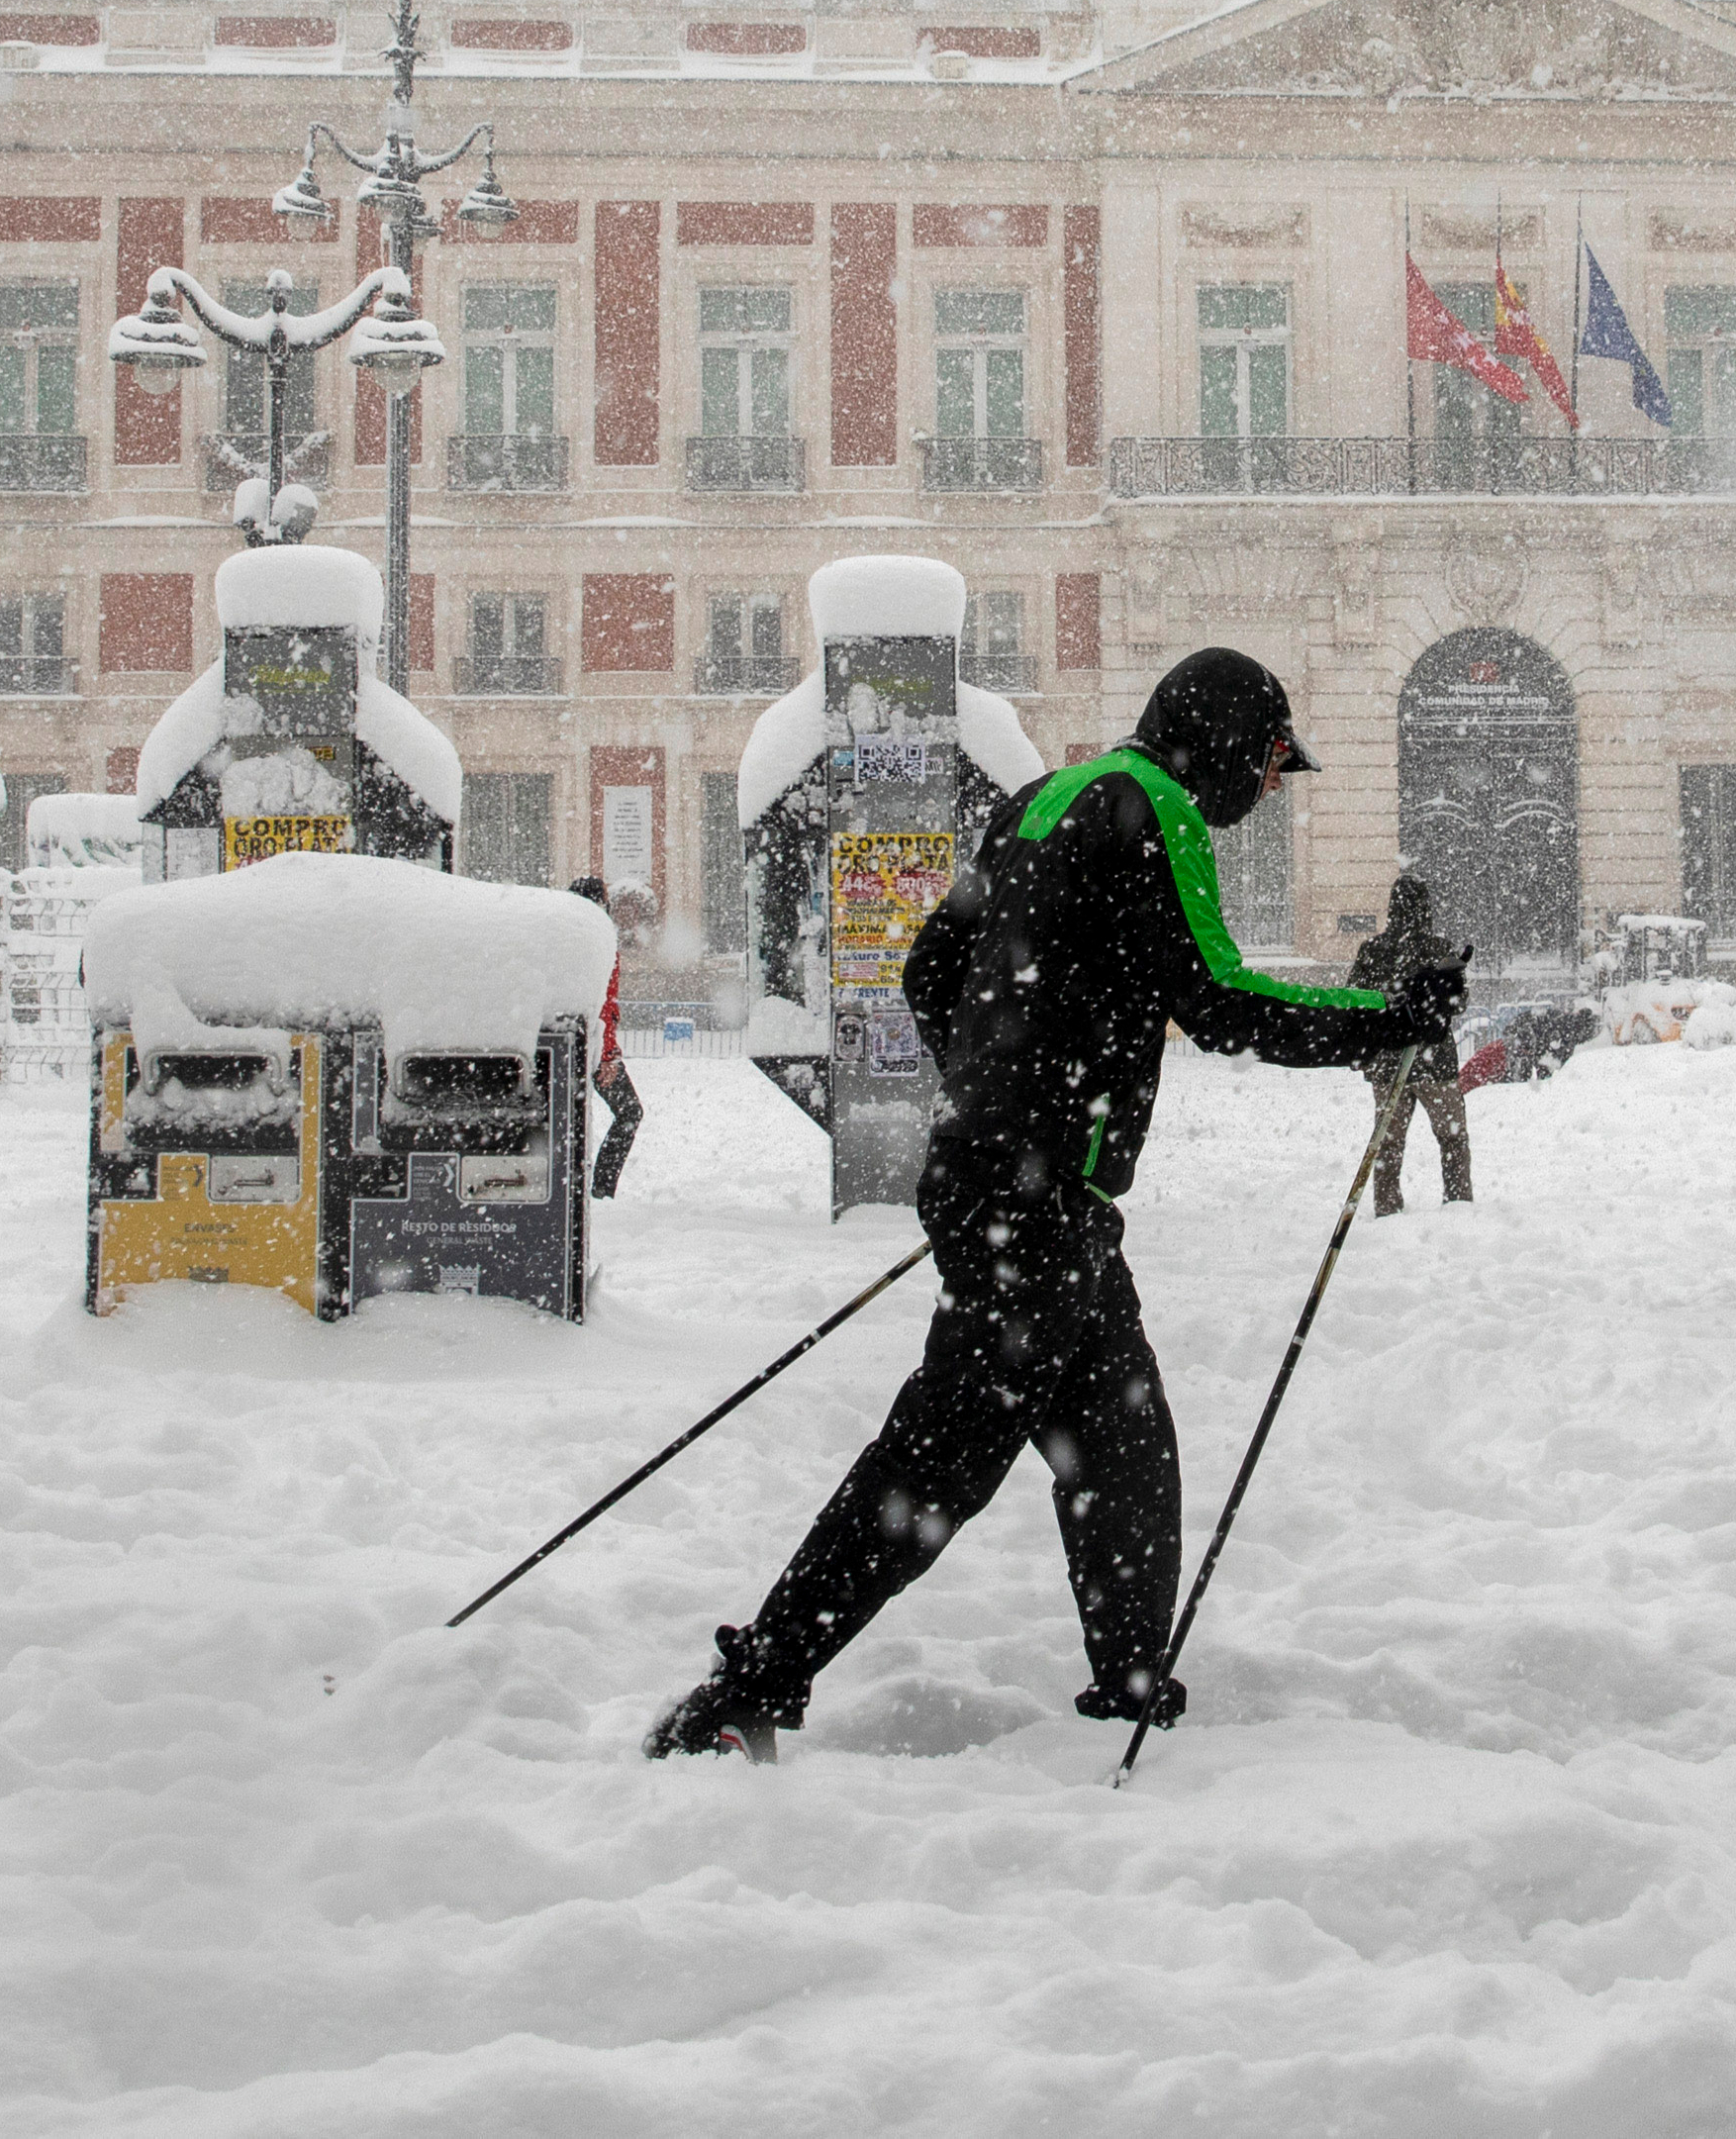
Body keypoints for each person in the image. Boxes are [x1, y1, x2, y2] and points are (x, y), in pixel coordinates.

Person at [644, 648, 1461, 1760]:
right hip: (1033, 1200)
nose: (1269, 792)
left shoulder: (1047, 797)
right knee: (937, 1460)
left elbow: (930, 968)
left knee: (1123, 1444)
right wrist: (1387, 1013)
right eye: (1270, 764)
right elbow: (1219, 1001)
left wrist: (989, 1101)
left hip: (1025, 1192)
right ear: (1220, 740)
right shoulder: (1155, 806)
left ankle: (1129, 1690)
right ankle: (750, 1688)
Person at [1350, 869, 1473, 1216]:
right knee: (1453, 1139)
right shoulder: (1439, 950)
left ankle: (1388, 1209)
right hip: (1435, 1061)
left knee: (1387, 1143)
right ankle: (1459, 1203)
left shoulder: (1372, 950)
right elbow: (1459, 1002)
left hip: (1388, 1061)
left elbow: (1354, 999)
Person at [572, 877, 643, 1202]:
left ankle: (571, 1186)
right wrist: (608, 1055)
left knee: (566, 1118)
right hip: (594, 1046)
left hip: (569, 1043)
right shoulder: (600, 941)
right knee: (629, 1111)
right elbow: (604, 1003)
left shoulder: (568, 937)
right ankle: (601, 1188)